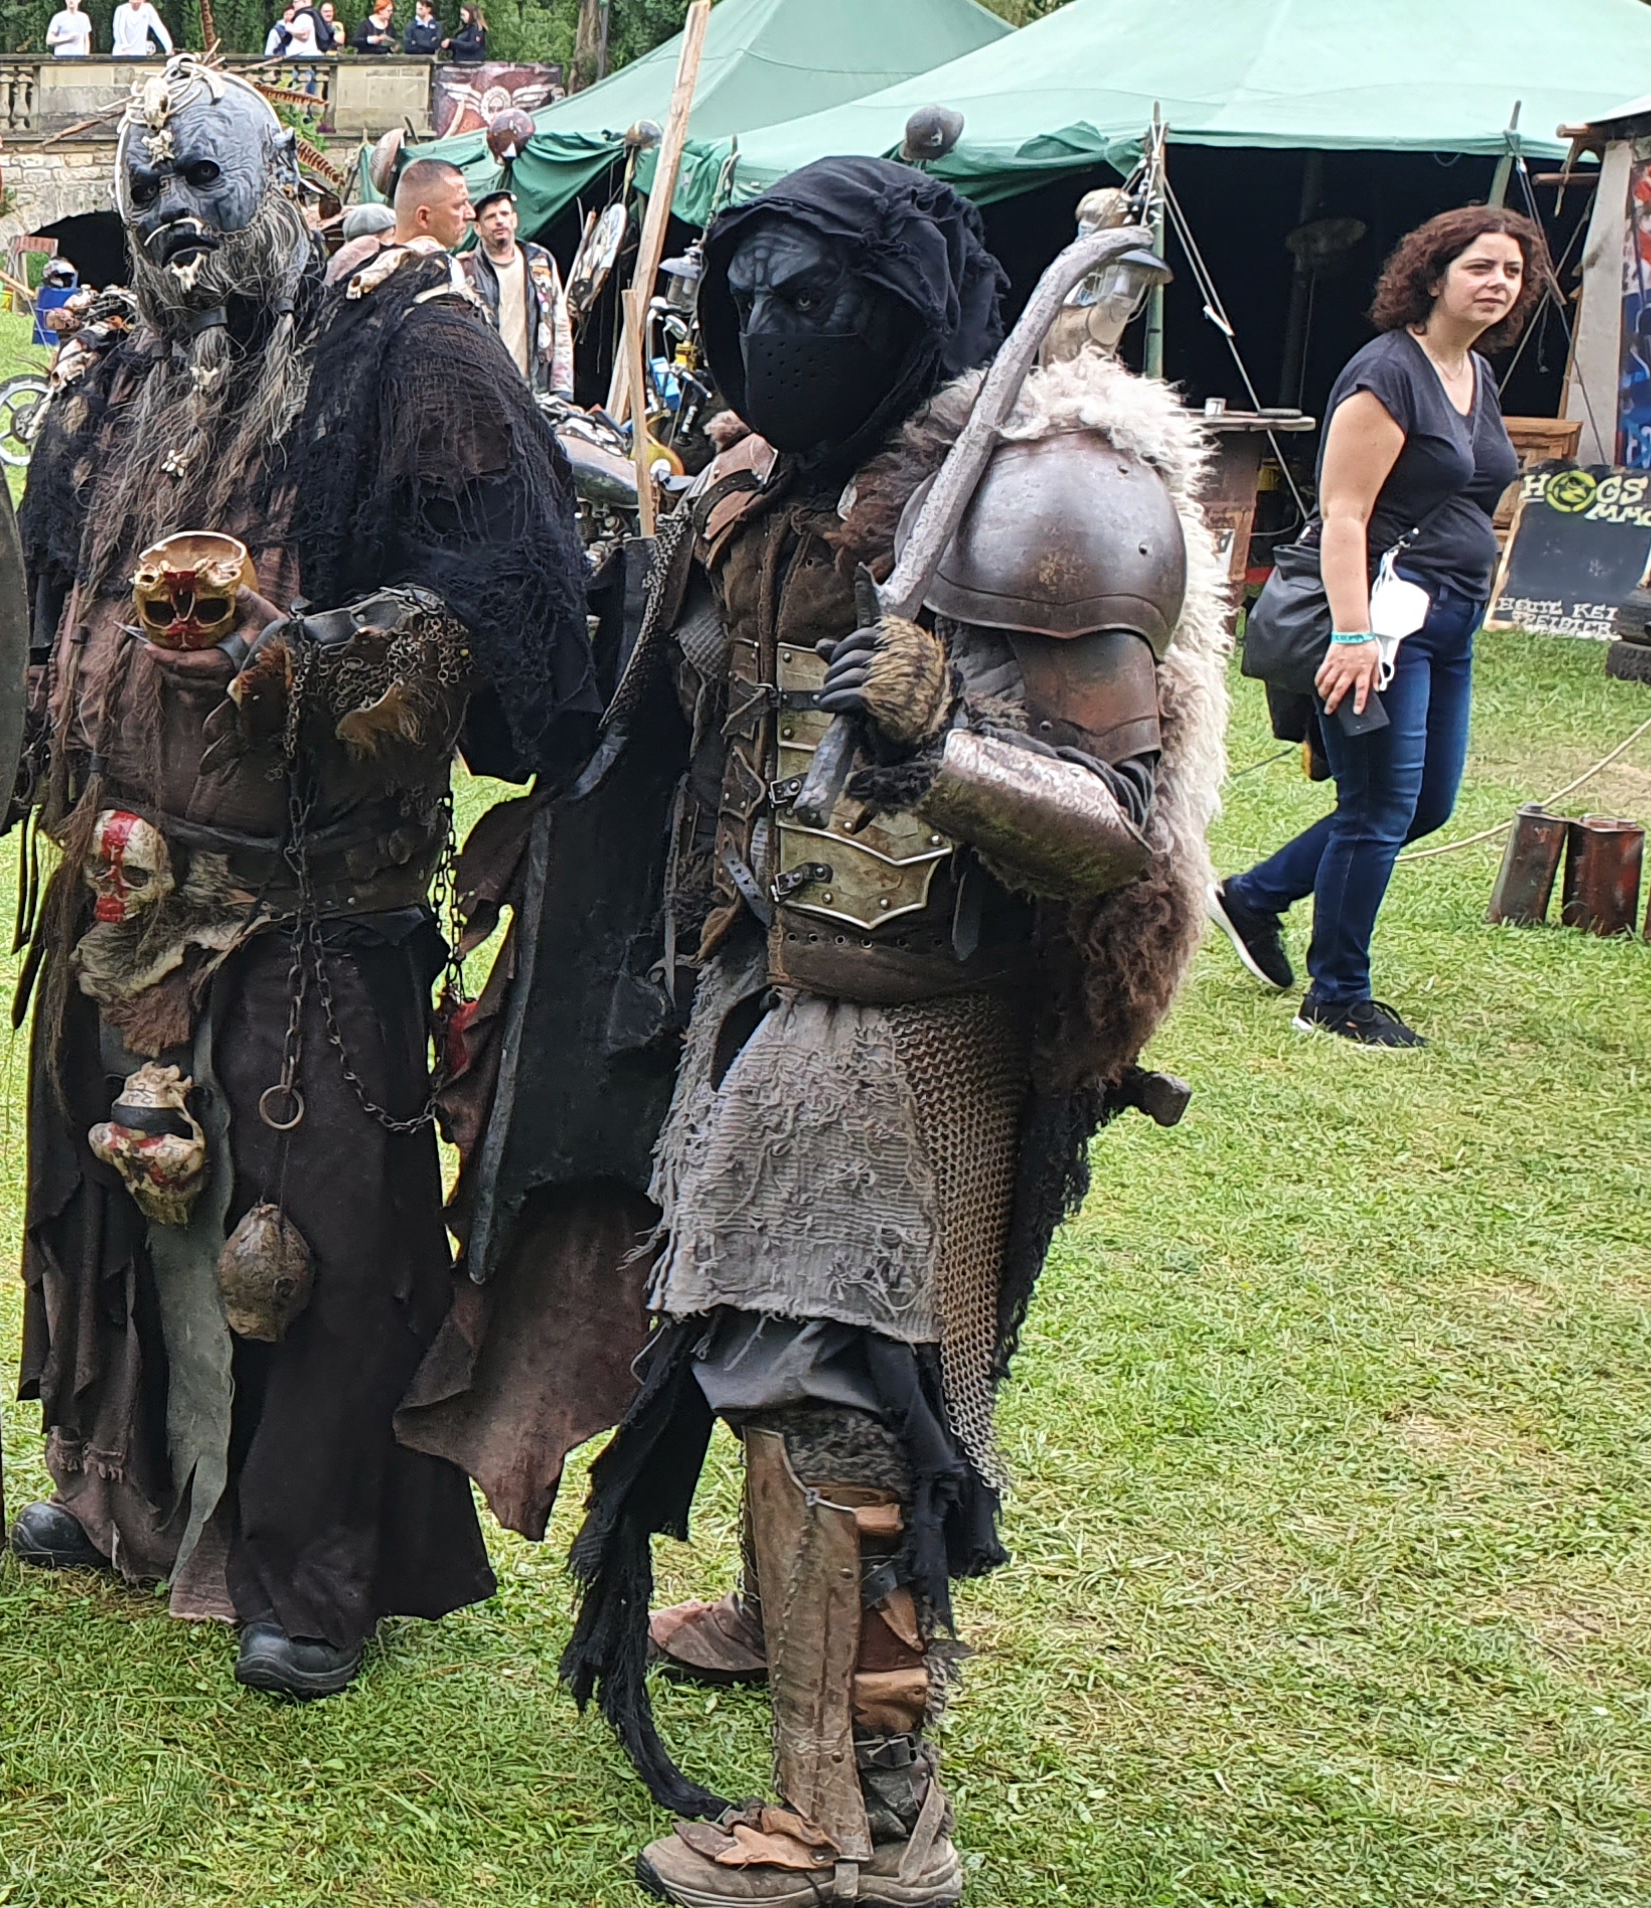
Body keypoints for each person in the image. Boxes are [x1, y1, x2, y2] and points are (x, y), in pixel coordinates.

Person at [505, 160, 1229, 1908]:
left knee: (845, 1405)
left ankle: (864, 1825)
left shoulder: (1048, 498)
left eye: (811, 300)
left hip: (917, 1028)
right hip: (758, 980)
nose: (767, 331)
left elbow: (1115, 827)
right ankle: (785, 1625)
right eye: (742, 296)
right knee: (759, 1354)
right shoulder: (762, 484)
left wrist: (937, 748)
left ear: (903, 306)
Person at [0, 58, 600, 1700]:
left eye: (205, 175)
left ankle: (308, 1568)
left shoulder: (404, 348)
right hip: (118, 896)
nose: (175, 212)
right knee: (115, 1199)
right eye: (148, 189)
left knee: (298, 1249)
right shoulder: (109, 377)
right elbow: (39, 615)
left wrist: (305, 657)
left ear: (287, 176)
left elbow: (515, 616)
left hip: (310, 909)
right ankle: (122, 1489)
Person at [1215, 206, 1543, 1050]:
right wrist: (1355, 637)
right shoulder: (1386, 374)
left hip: (1449, 622)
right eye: (1480, 267)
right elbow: (1345, 516)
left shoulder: (1473, 372)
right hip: (1380, 625)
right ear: (1433, 275)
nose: (1498, 283)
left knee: (1424, 805)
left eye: (1511, 271)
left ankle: (1252, 896)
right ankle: (1337, 998)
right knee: (1377, 807)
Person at [461, 186, 570, 395]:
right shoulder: (465, 270)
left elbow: (560, 323)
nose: (499, 221)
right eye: (491, 217)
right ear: (477, 228)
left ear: (515, 219)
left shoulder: (540, 261)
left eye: (504, 214)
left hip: (537, 388)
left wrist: (562, 386)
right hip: (490, 390)